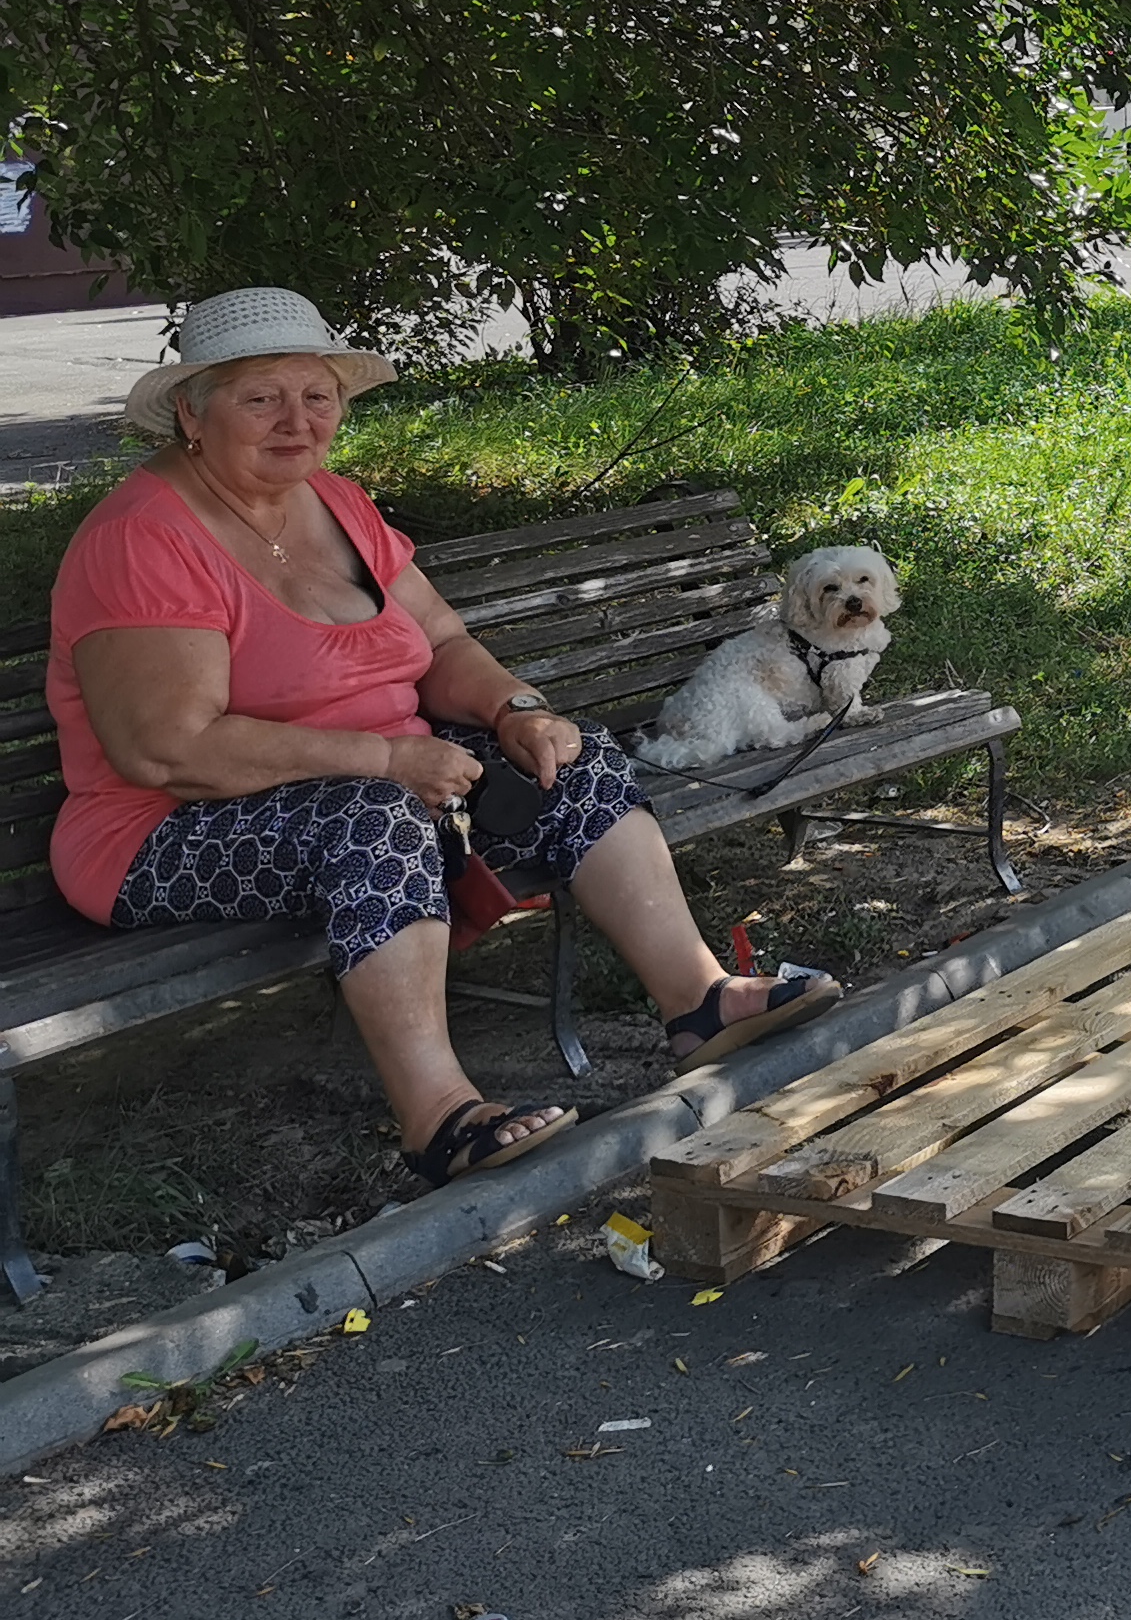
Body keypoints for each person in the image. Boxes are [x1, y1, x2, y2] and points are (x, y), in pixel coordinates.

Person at [46, 288, 840, 1189]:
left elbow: (442, 642)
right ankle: (439, 1117)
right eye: (261, 398)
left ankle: (699, 1000)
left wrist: (516, 710)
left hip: (371, 782)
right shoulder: (144, 541)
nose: (297, 422)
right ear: (192, 414)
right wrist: (388, 760)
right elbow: (168, 748)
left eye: (318, 397)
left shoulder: (334, 501)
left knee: (573, 761)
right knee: (374, 821)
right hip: (160, 833)